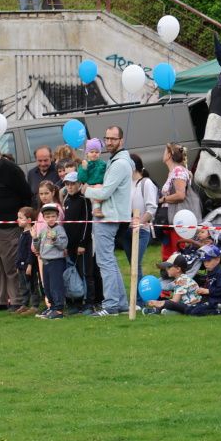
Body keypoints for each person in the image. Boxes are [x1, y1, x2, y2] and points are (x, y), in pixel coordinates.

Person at [0, 139, 33, 312]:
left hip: (7, 227)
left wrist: (21, 220)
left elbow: (26, 195)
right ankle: (0, 300)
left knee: (10, 265)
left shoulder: (11, 170)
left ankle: (17, 300)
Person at [87, 125, 132, 315]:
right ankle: (120, 304)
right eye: (107, 138)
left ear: (121, 140)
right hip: (110, 216)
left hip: (108, 217)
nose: (109, 142)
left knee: (105, 262)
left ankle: (111, 304)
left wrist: (85, 190)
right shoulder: (116, 161)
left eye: (113, 139)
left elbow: (105, 192)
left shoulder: (120, 163)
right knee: (109, 261)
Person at [126, 153, 157, 305]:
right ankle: (139, 299)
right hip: (127, 230)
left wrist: (139, 222)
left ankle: (138, 301)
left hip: (142, 230)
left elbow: (152, 209)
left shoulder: (146, 183)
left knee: (135, 264)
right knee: (134, 265)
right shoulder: (127, 183)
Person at [61, 171, 94, 314]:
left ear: (79, 184)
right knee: (73, 274)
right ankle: (76, 302)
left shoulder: (84, 200)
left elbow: (87, 223)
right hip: (70, 245)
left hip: (82, 245)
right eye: (67, 184)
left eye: (72, 184)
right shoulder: (66, 200)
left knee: (86, 273)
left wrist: (82, 243)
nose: (69, 187)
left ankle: (89, 303)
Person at [157, 142, 195, 261]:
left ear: (169, 155)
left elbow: (180, 195)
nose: (163, 154)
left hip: (178, 218)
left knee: (177, 255)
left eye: (165, 151)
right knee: (169, 255)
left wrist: (163, 199)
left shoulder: (178, 171)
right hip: (171, 218)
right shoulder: (173, 172)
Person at [34, 202, 69, 320]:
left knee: (56, 286)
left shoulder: (60, 229)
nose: (51, 219)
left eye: (53, 216)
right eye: (48, 217)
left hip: (56, 262)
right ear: (44, 218)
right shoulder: (43, 230)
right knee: (47, 287)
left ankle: (59, 310)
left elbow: (63, 245)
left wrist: (54, 239)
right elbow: (38, 247)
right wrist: (35, 238)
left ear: (57, 216)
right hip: (46, 262)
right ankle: (52, 307)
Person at [191, 244, 221, 315]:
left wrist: (208, 291)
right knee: (189, 309)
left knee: (196, 312)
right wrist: (201, 293)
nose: (206, 264)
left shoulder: (220, 274)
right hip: (211, 300)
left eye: (208, 261)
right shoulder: (210, 272)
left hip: (220, 301)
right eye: (204, 261)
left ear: (218, 259)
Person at [13, 206, 40, 315]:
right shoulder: (22, 233)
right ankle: (24, 304)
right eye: (18, 217)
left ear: (29, 220)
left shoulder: (31, 234)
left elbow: (31, 251)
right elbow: (20, 251)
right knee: (23, 286)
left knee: (32, 285)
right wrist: (17, 265)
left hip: (28, 266)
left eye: (21, 218)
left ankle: (35, 305)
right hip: (21, 266)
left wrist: (29, 264)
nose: (18, 220)